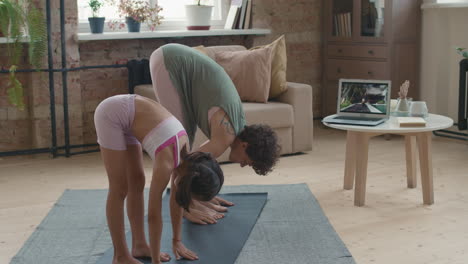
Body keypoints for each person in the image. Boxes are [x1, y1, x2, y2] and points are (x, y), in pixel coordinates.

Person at [149, 43, 281, 224]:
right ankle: (183, 208)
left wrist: (203, 195)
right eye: (247, 162)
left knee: (184, 144)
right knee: (179, 150)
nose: (242, 165)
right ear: (245, 145)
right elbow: (183, 167)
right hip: (170, 62)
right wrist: (190, 208)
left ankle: (189, 200)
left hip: (174, 57)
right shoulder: (225, 137)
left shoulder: (237, 125)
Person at [94, 94, 224, 264]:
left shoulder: (189, 161)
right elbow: (154, 216)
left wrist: (176, 242)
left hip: (130, 114)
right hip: (111, 114)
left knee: (137, 181)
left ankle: (139, 245)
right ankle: (120, 256)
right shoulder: (166, 164)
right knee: (119, 188)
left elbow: (177, 201)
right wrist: (156, 261)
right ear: (188, 183)